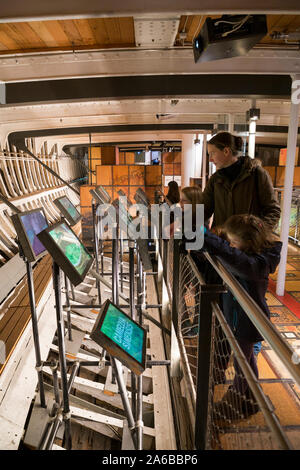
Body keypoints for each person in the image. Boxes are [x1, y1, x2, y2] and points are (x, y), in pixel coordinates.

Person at [200, 214, 282, 419]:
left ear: (247, 244)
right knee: (247, 363)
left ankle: (233, 403)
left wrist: (206, 237)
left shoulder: (254, 265)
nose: (230, 246)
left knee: (242, 367)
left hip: (247, 323)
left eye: (233, 243)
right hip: (240, 320)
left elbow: (236, 259)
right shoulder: (248, 257)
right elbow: (227, 254)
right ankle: (252, 400)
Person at [200, 132, 280, 230]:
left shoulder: (257, 174)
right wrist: (182, 221)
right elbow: (203, 210)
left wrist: (257, 232)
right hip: (220, 242)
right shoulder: (215, 179)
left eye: (212, 153)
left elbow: (273, 210)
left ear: (226, 151)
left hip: (248, 243)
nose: (210, 159)